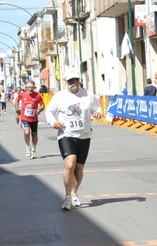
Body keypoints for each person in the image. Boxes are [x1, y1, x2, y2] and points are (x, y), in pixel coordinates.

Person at [45, 70, 102, 211]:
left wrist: (98, 112)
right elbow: (49, 112)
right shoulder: (59, 96)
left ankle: (74, 192)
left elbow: (96, 108)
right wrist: (53, 122)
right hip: (66, 134)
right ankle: (67, 196)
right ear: (66, 81)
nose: (73, 83)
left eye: (75, 80)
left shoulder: (88, 95)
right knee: (70, 164)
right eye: (70, 81)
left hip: (84, 135)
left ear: (79, 80)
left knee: (79, 168)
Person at [17, 80, 44, 159]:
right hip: (24, 117)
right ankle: (28, 146)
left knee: (34, 135)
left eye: (32, 87)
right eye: (28, 87)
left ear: (34, 87)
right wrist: (16, 108)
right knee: (27, 132)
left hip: (34, 118)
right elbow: (17, 99)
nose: (30, 89)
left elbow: (43, 105)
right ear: (25, 88)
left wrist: (39, 110)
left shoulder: (37, 95)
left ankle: (34, 149)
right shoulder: (22, 95)